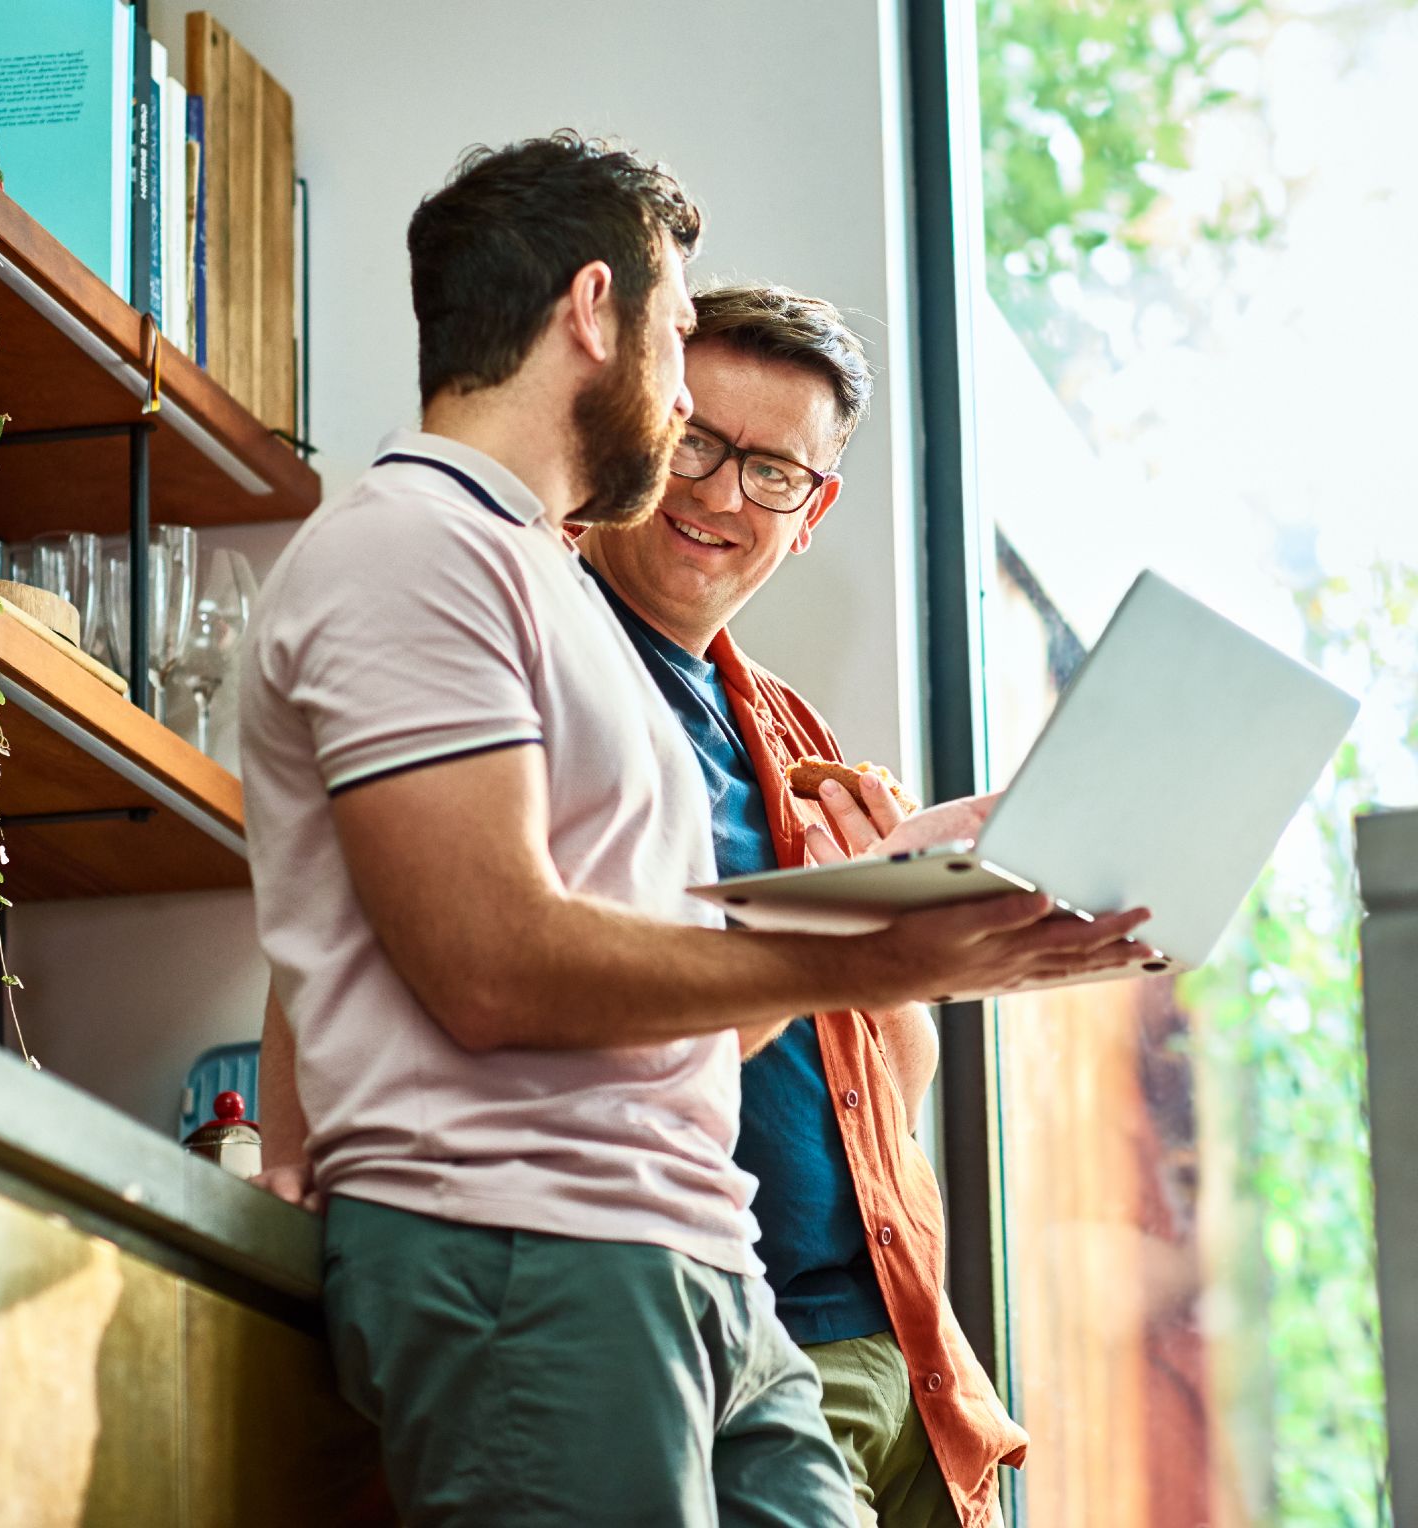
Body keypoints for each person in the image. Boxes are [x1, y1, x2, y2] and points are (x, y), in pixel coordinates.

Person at [244, 134, 1151, 1528]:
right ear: (595, 314)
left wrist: (900, 899)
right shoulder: (411, 551)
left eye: (766, 470)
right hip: (533, 1245)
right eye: (677, 341)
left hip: (691, 1261)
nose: (687, 439)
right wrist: (882, 951)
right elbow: (490, 963)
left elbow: (644, 985)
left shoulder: (530, 587)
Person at [575, 283, 1026, 1528]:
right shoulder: (540, 651)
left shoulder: (796, 734)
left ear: (815, 511)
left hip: (902, 1343)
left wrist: (905, 928)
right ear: (638, 423)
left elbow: (897, 1065)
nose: (722, 494)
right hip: (723, 1340)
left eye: (774, 471)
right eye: (698, 443)